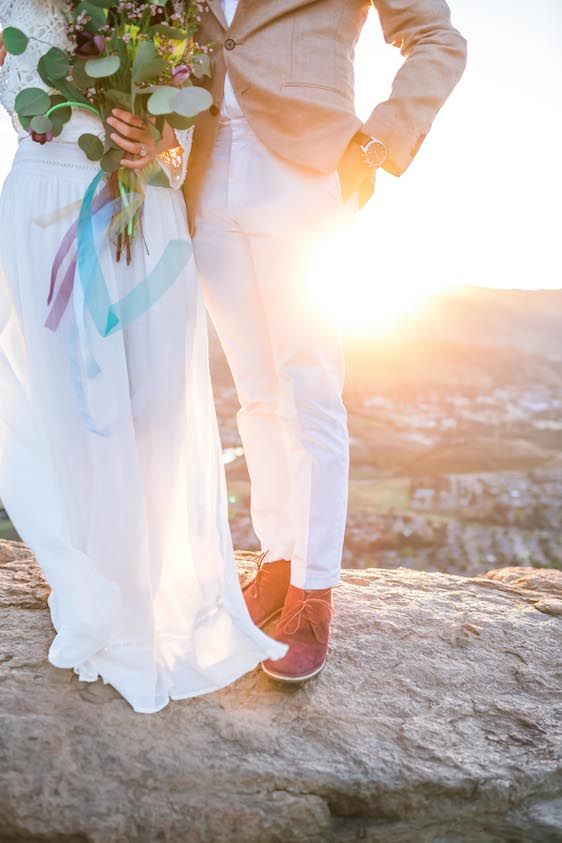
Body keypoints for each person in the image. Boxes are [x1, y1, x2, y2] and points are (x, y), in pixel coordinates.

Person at [0, 0, 286, 714]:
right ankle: (100, 593)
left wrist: (164, 130)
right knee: (73, 411)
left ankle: (157, 589)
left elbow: (201, 74)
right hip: (49, 194)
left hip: (147, 196)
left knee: (157, 405)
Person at [186, 0, 467, 682]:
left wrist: (378, 143)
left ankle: (314, 595)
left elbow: (437, 37)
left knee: (308, 386)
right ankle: (277, 566)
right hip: (204, 167)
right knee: (255, 393)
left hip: (308, 169)